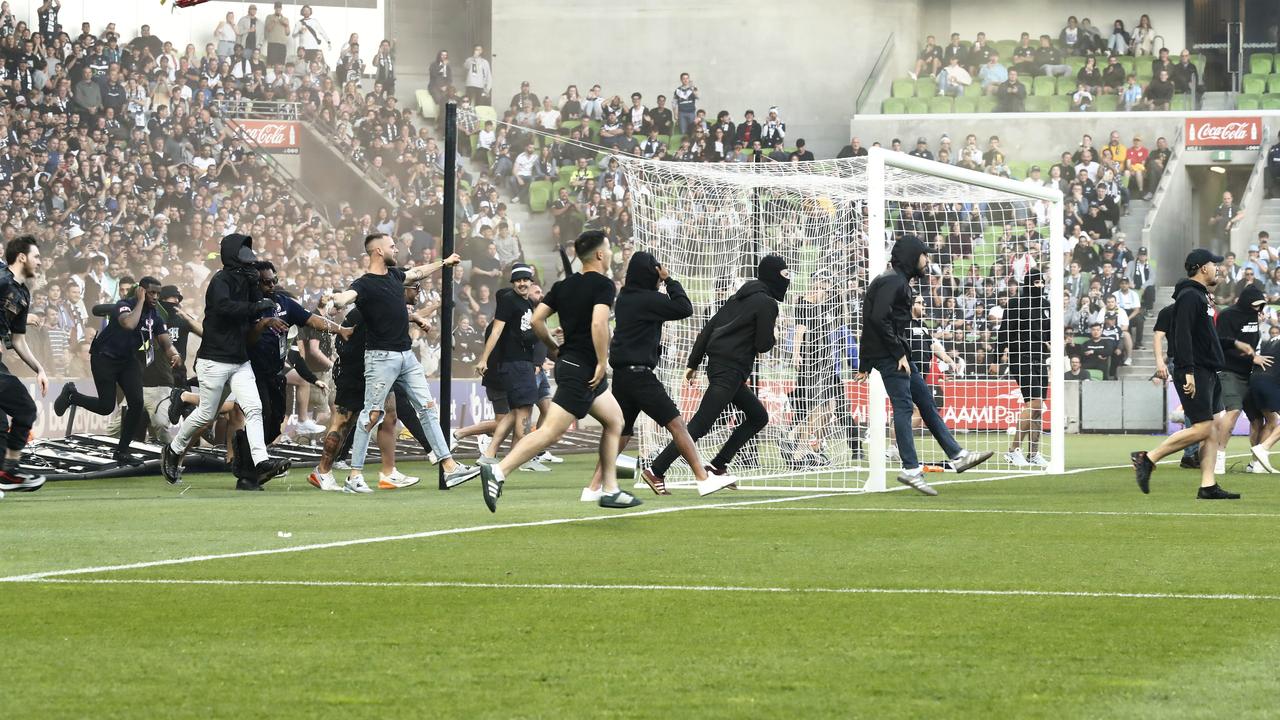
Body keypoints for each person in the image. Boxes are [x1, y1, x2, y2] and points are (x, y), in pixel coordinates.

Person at [477, 231, 642, 511]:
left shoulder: (563, 287)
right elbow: (599, 325)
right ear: (600, 255)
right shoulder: (603, 285)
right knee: (551, 432)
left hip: (573, 364)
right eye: (609, 250)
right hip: (585, 369)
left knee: (615, 420)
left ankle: (610, 488)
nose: (611, 254)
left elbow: (537, 319)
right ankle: (499, 470)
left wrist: (553, 347)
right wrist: (603, 361)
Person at [325, 234, 478, 494]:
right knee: (372, 415)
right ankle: (354, 476)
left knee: (427, 407)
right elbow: (347, 297)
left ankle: (449, 467)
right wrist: (336, 300)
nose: (396, 249)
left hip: (406, 356)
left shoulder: (395, 276)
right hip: (380, 358)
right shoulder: (364, 284)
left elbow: (417, 272)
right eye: (392, 246)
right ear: (376, 250)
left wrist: (445, 262)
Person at [590, 252, 739, 499]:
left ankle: (593, 486)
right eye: (655, 274)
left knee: (621, 434)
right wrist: (669, 280)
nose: (658, 280)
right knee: (678, 425)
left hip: (622, 377)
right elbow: (685, 308)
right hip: (641, 376)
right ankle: (703, 479)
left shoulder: (625, 297)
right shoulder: (648, 299)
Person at [641, 255, 791, 491]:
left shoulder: (738, 297)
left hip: (721, 368)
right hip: (730, 371)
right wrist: (775, 336)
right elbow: (763, 344)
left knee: (758, 416)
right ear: (774, 276)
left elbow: (709, 328)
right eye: (785, 275)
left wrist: (693, 363)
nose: (787, 281)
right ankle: (656, 469)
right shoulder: (767, 303)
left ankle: (718, 465)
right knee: (700, 424)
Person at [857, 235, 992, 495]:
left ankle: (957, 454)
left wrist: (867, 361)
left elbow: (874, 319)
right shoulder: (893, 281)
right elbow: (877, 318)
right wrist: (896, 353)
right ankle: (910, 469)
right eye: (924, 255)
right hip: (892, 356)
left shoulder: (895, 280)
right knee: (904, 406)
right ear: (911, 256)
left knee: (926, 403)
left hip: (897, 354)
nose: (927, 260)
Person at [161, 234, 291, 490]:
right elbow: (224, 308)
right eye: (243, 254)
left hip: (239, 360)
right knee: (207, 415)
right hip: (214, 359)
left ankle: (261, 460)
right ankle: (174, 449)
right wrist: (255, 306)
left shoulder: (247, 279)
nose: (249, 261)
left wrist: (256, 290)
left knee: (253, 408)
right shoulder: (220, 280)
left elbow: (257, 305)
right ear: (232, 255)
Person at [1132, 249, 1239, 499]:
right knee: (1203, 428)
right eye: (1214, 264)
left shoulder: (1200, 296)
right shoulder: (1191, 296)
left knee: (1212, 429)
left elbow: (1203, 337)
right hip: (1195, 370)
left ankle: (1208, 485)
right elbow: (1182, 336)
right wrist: (1188, 371)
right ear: (1203, 268)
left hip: (1208, 370)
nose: (1218, 268)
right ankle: (1147, 458)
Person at [54, 276, 181, 465]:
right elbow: (129, 324)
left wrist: (174, 354)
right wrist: (139, 301)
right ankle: (72, 395)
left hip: (128, 361)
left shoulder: (154, 315)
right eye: (151, 293)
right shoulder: (124, 305)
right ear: (141, 291)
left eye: (158, 294)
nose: (155, 297)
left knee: (137, 404)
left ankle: (122, 451)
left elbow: (165, 341)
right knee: (106, 407)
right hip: (104, 357)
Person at [474, 264, 540, 470]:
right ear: (512, 283)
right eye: (517, 280)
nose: (522, 283)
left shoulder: (527, 303)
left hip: (520, 362)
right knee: (524, 409)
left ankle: (490, 453)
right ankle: (522, 458)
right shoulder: (509, 301)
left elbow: (526, 335)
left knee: (515, 412)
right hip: (515, 363)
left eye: (525, 280)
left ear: (531, 282)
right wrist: (483, 359)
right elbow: (495, 332)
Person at [0, 237, 48, 493]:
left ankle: (6, 472)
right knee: (25, 409)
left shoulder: (22, 292)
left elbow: (18, 340)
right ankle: (9, 472)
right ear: (21, 257)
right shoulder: (1, 281)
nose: (40, 262)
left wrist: (39, 368)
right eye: (36, 256)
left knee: (14, 416)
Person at [1211, 284, 1270, 475]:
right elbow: (1220, 344)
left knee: (1258, 420)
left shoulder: (1255, 315)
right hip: (1229, 371)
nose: (1258, 308)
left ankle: (1256, 462)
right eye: (1255, 304)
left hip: (1250, 374)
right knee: (1233, 411)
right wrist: (1252, 357)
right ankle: (1218, 458)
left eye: (1260, 305)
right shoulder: (1228, 315)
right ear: (1245, 301)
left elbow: (1251, 339)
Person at [1001, 269, 1051, 468]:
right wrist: (997, 358)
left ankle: (1033, 453)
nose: (1040, 286)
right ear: (1029, 284)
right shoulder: (1015, 303)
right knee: (1035, 405)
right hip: (1020, 357)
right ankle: (1013, 451)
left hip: (1040, 358)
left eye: (1042, 282)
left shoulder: (1046, 305)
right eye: (1036, 282)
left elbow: (1048, 332)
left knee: (1039, 409)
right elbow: (1004, 331)